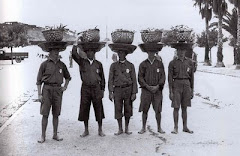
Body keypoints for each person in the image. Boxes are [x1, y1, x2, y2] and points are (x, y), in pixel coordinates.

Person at [36, 49, 71, 143]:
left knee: (56, 114)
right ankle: (43, 136)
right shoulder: (44, 64)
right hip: (47, 89)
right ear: (50, 52)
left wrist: (65, 87)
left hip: (58, 90)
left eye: (57, 52)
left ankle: (55, 134)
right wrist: (39, 94)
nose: (57, 53)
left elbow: (68, 77)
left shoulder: (62, 64)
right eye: (54, 51)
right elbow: (38, 81)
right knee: (45, 114)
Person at [72, 45, 105, 137]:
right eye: (88, 52)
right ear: (86, 53)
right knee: (85, 108)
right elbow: (74, 54)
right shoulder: (82, 62)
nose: (90, 53)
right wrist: (75, 43)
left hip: (96, 88)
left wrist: (102, 89)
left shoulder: (99, 64)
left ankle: (100, 129)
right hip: (85, 88)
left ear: (94, 53)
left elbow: (102, 78)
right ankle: (86, 130)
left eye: (92, 52)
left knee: (99, 108)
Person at [108, 51, 138, 135]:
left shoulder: (130, 65)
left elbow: (134, 79)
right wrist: (110, 92)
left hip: (128, 89)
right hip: (117, 90)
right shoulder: (113, 66)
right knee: (118, 109)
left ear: (125, 54)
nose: (121, 55)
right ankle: (120, 128)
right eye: (119, 53)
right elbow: (110, 79)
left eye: (122, 53)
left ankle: (127, 128)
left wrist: (134, 93)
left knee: (128, 109)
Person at [168, 43, 194, 134]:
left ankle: (185, 127)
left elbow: (192, 77)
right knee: (176, 107)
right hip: (177, 84)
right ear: (177, 51)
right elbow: (170, 78)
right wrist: (170, 91)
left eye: (183, 50)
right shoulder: (172, 63)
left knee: (185, 107)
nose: (181, 52)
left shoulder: (190, 62)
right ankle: (175, 127)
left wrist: (192, 90)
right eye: (179, 50)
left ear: (185, 51)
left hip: (186, 84)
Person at [138, 51, 165, 134]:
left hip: (157, 91)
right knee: (144, 109)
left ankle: (159, 127)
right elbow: (140, 77)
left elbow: (163, 76)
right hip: (146, 90)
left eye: (152, 52)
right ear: (147, 53)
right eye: (149, 52)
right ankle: (143, 127)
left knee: (158, 110)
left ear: (155, 53)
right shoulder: (143, 64)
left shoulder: (159, 64)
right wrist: (146, 86)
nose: (151, 54)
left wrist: (158, 86)